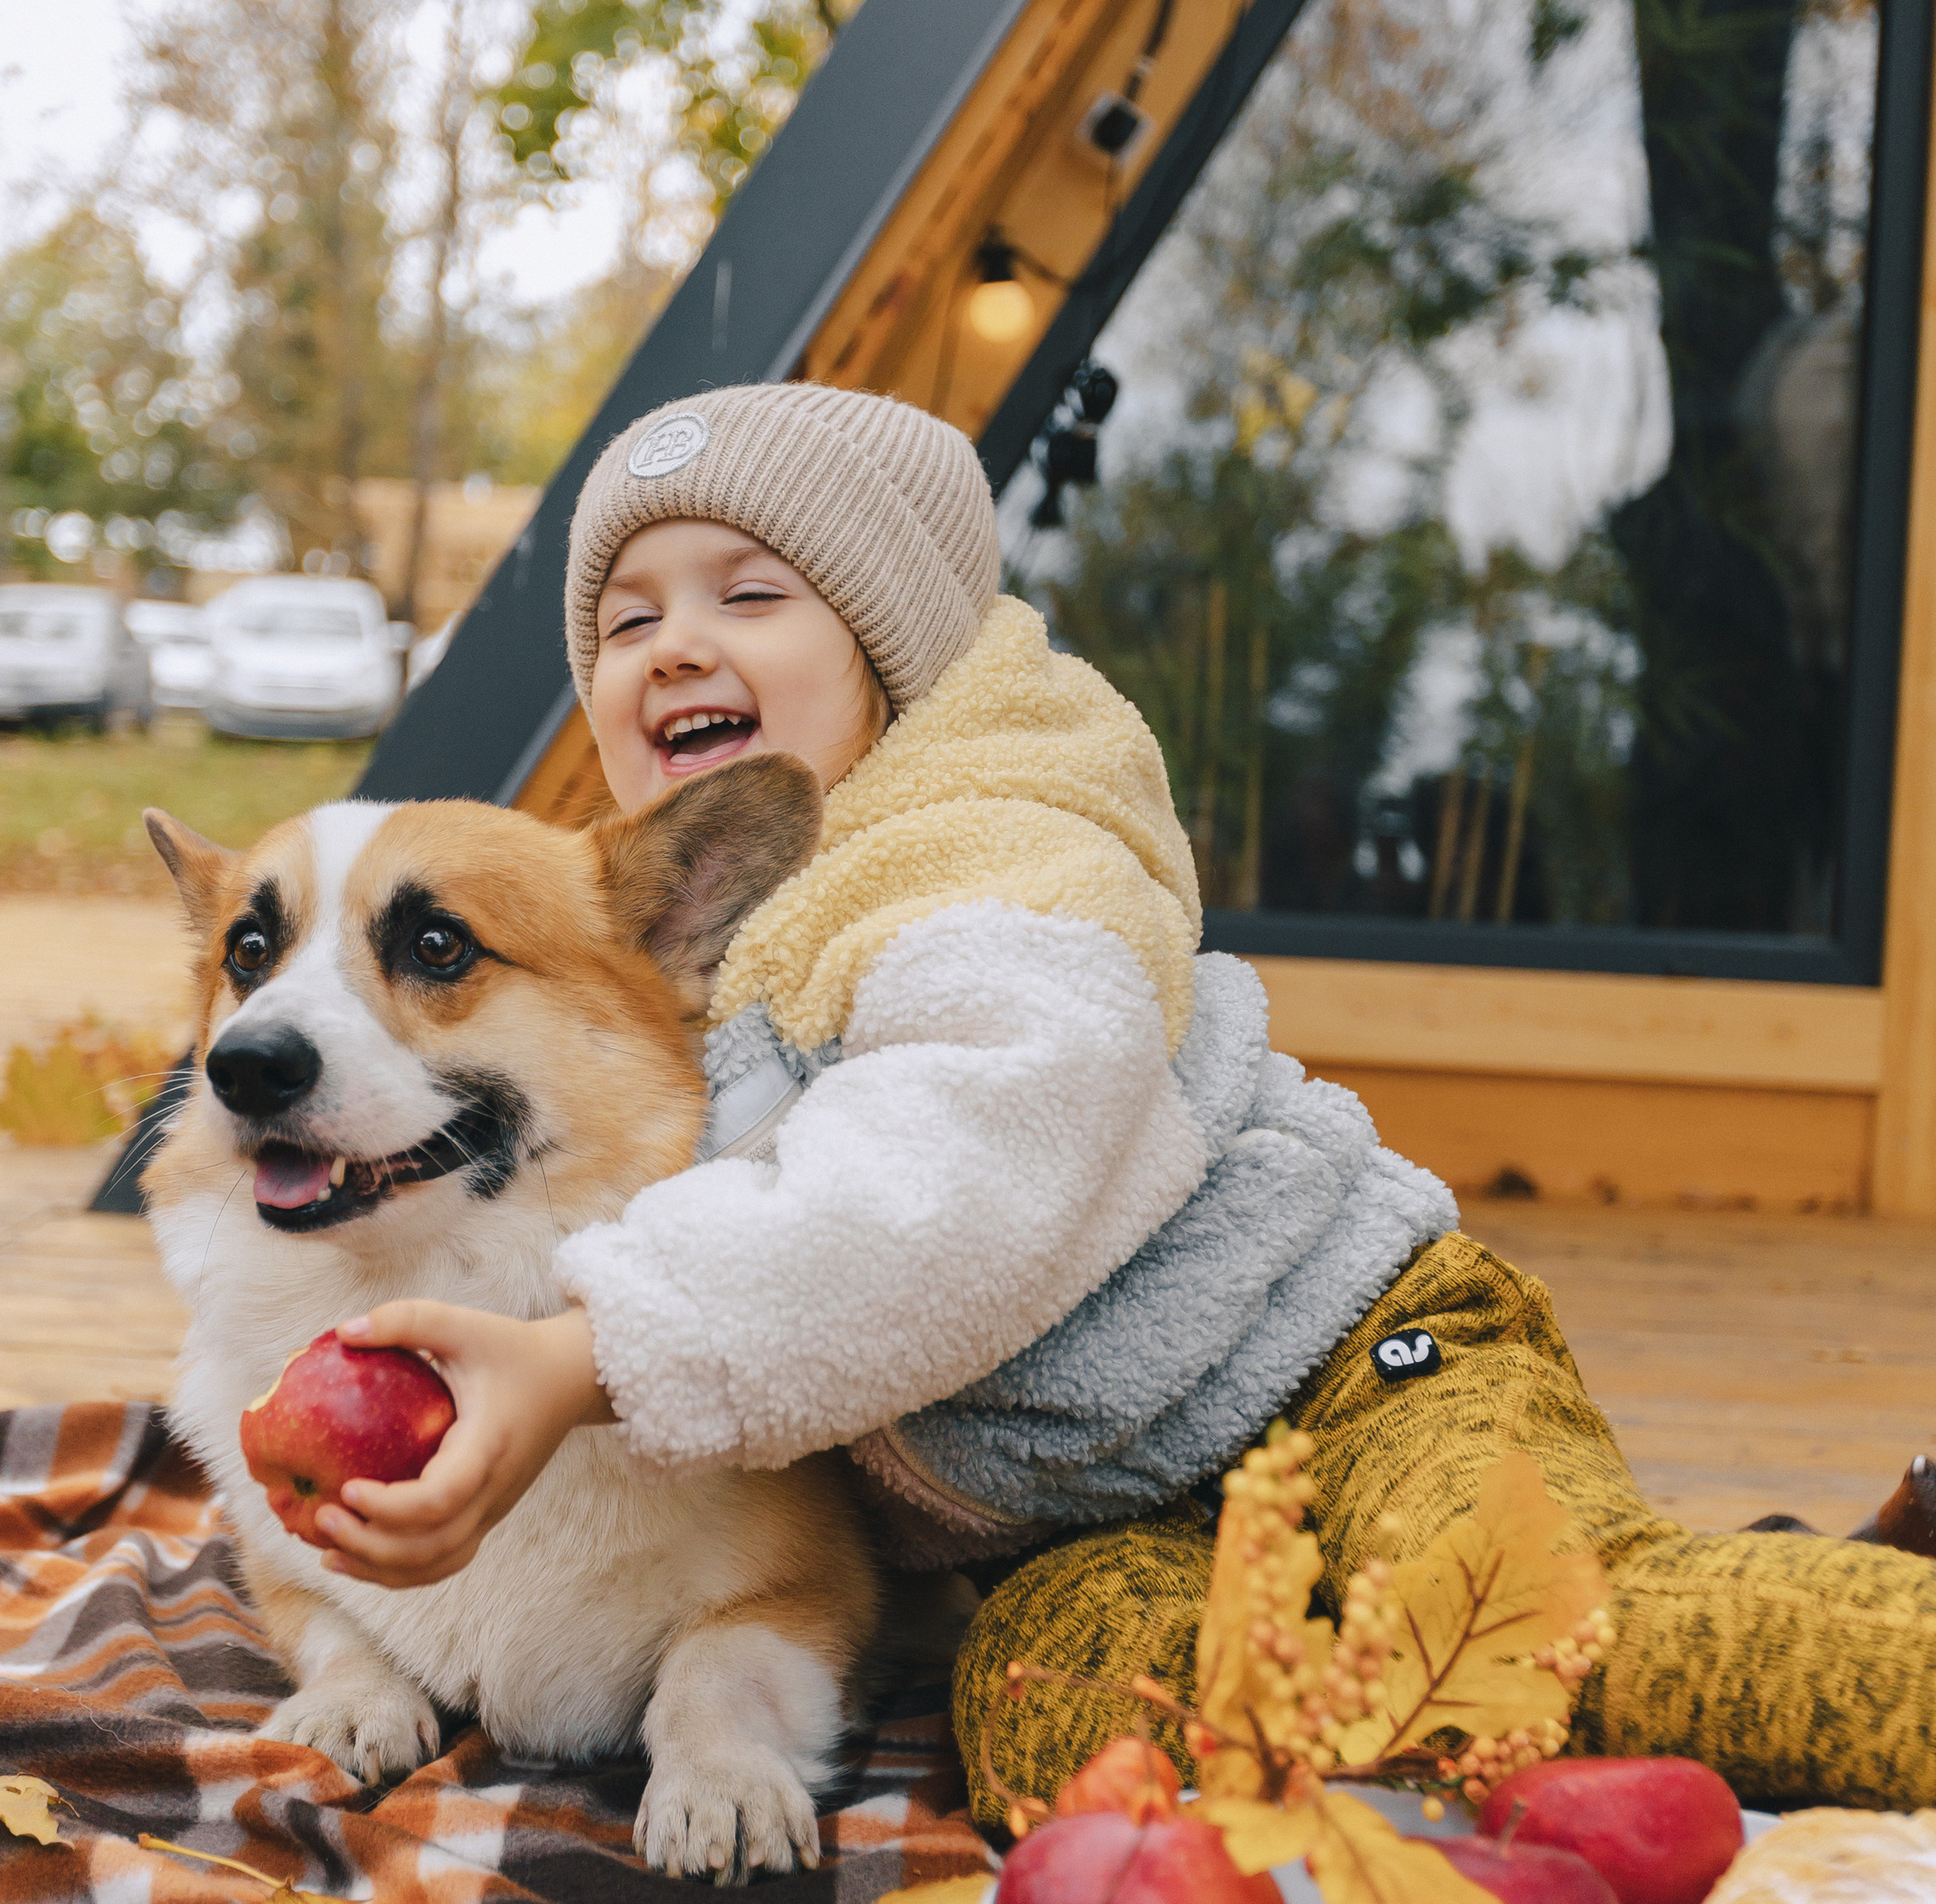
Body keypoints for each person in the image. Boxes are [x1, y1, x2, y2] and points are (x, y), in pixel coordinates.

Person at [323, 382, 1936, 1828]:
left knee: (1554, 1616)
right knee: (1060, 1731)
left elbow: (942, 1179)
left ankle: (1804, 1650)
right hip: (1117, 1511)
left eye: (751, 594)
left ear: (893, 647)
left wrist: (583, 1356)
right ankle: (1434, 1760)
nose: (674, 643)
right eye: (623, 621)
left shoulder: (998, 868)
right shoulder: (705, 931)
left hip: (1354, 1369)